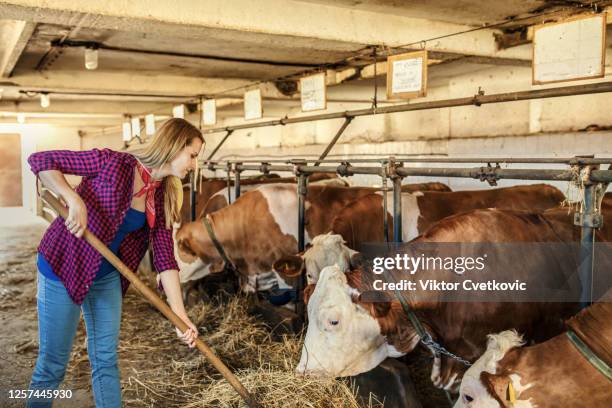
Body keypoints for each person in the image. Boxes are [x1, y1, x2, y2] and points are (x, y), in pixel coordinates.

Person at [25, 118, 203, 407]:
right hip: (64, 265)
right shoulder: (112, 163)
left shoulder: (161, 195)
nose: (194, 164)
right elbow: (42, 161)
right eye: (192, 155)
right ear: (173, 147)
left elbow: (164, 258)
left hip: (106, 274)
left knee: (105, 359)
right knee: (53, 364)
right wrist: (73, 199)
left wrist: (179, 316)